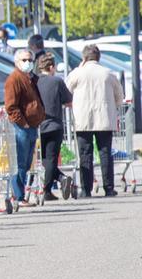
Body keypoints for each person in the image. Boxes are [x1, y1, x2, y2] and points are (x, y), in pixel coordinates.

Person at [67, 43, 125, 197]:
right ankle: (109, 187)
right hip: (105, 118)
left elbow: (67, 91)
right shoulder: (108, 73)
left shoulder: (77, 73)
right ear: (99, 57)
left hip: (83, 120)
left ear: (84, 58)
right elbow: (119, 97)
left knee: (85, 153)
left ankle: (86, 189)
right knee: (105, 152)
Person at [3, 47, 45, 205]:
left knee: (27, 162)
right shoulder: (14, 79)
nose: (28, 63)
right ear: (16, 62)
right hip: (22, 127)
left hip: (31, 126)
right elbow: (11, 106)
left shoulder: (30, 78)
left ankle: (20, 194)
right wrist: (24, 123)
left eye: (30, 60)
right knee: (20, 162)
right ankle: (19, 196)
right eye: (24, 60)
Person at [35, 52, 74, 200]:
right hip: (55, 125)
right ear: (51, 67)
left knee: (45, 160)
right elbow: (68, 101)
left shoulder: (35, 82)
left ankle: (56, 183)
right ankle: (48, 190)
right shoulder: (57, 81)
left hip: (39, 126)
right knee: (50, 159)